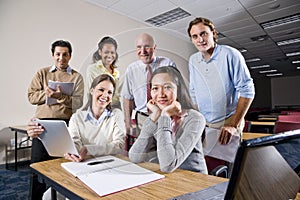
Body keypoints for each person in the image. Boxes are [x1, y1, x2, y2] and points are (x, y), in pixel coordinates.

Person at [187, 17, 255, 172]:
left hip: (228, 123)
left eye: (204, 34)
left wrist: (233, 125)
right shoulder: (193, 60)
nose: (200, 40)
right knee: (209, 169)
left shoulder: (230, 54)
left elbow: (247, 90)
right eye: (195, 36)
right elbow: (194, 92)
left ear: (213, 33)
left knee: (231, 172)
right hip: (206, 125)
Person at [27, 40, 84, 200]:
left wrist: (61, 97)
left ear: (70, 56)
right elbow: (31, 97)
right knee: (37, 167)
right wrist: (46, 94)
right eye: (58, 54)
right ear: (53, 55)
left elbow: (78, 103)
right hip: (41, 125)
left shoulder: (77, 77)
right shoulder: (42, 73)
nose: (61, 58)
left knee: (62, 168)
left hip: (65, 125)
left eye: (65, 54)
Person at [129, 66, 207, 174]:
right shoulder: (156, 117)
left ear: (178, 90)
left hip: (195, 182)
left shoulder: (195, 119)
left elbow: (168, 165)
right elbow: (134, 157)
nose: (161, 94)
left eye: (167, 87)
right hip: (168, 180)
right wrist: (154, 116)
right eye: (155, 88)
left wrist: (165, 115)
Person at [121, 33, 176, 142]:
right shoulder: (131, 69)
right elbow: (127, 97)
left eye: (147, 46)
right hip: (142, 118)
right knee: (143, 153)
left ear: (154, 47)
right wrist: (127, 123)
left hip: (163, 116)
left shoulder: (168, 64)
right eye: (139, 47)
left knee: (164, 151)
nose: (143, 51)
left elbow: (176, 94)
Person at [64, 74, 126, 162]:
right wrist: (71, 151)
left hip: (110, 163)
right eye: (101, 90)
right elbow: (74, 142)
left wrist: (88, 149)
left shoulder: (116, 115)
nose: (105, 95)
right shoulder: (76, 118)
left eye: (109, 92)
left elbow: (119, 145)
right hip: (84, 162)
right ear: (92, 91)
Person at [86, 36, 121, 108]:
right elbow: (90, 94)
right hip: (99, 108)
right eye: (106, 52)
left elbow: (117, 95)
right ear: (100, 52)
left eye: (112, 52)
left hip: (115, 108)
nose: (110, 55)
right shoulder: (92, 69)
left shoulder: (116, 73)